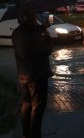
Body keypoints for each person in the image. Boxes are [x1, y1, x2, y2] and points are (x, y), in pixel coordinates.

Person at [12, 10, 53, 138]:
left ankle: (26, 133)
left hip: (23, 74)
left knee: (26, 104)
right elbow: (46, 49)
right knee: (38, 106)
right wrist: (47, 36)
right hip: (37, 74)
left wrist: (43, 27)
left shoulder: (17, 32)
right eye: (34, 15)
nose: (36, 17)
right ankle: (34, 134)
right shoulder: (33, 33)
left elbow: (31, 34)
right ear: (32, 17)